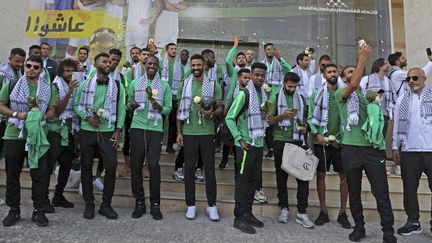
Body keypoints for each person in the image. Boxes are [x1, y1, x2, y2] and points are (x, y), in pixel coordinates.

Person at [335, 45, 396, 243]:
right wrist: (362, 59)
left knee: (381, 192)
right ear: (344, 78)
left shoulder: (370, 94)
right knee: (354, 192)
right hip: (351, 148)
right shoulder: (341, 94)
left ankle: (388, 232)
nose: (355, 74)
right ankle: (359, 227)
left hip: (373, 149)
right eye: (350, 73)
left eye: (356, 71)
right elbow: (352, 86)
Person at [0, 55, 55, 227]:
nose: (31, 69)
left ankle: (38, 211)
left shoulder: (48, 88)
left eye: (36, 67)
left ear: (41, 70)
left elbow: (53, 109)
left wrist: (42, 118)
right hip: (14, 133)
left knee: (38, 174)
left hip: (37, 135)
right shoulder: (13, 84)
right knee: (12, 173)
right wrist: (17, 114)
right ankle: (14, 210)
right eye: (28, 65)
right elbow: (1, 105)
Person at [74, 52, 126, 220]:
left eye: (110, 62)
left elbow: (122, 109)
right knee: (87, 166)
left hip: (108, 131)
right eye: (104, 61)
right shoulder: (84, 84)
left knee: (111, 166)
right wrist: (87, 117)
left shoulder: (118, 85)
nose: (108, 64)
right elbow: (76, 105)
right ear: (95, 64)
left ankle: (106, 205)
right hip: (87, 130)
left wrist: (118, 130)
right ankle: (89, 203)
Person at [176, 54, 222, 221]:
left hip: (207, 133)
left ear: (204, 65)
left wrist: (211, 113)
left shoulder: (213, 84)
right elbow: (179, 110)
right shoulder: (184, 84)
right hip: (189, 133)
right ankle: (191, 205)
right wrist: (179, 132)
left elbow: (220, 108)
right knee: (189, 169)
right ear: (190, 66)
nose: (196, 68)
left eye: (198, 65)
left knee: (209, 170)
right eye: (193, 65)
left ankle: (212, 206)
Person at [266, 72, 313, 228]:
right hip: (280, 139)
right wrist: (283, 116)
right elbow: (269, 121)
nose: (292, 89)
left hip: (298, 139)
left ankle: (302, 211)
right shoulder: (275, 97)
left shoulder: (300, 98)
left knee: (303, 177)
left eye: (295, 86)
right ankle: (284, 207)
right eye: (289, 86)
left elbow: (304, 117)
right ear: (284, 83)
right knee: (282, 176)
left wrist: (304, 125)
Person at [226, 62, 268, 234]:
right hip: (245, 146)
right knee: (243, 182)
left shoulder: (262, 95)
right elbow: (229, 118)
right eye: (256, 75)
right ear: (251, 76)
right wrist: (239, 138)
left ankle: (248, 213)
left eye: (262, 75)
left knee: (253, 181)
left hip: (257, 144)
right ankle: (239, 217)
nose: (259, 78)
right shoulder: (244, 94)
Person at [307, 64, 351, 229]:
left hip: (341, 141)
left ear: (338, 74)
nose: (332, 74)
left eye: (334, 71)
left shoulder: (344, 93)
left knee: (344, 176)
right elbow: (311, 117)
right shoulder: (316, 94)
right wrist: (317, 134)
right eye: (329, 72)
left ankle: (343, 213)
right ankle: (323, 212)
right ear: (324, 75)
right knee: (321, 175)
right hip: (322, 141)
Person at [128, 56, 172, 220]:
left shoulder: (165, 86)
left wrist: (158, 107)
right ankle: (139, 202)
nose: (152, 66)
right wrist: (130, 105)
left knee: (153, 165)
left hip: (155, 129)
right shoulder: (135, 83)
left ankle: (155, 204)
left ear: (159, 67)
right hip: (138, 127)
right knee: (136, 165)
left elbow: (168, 109)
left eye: (155, 64)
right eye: (149, 64)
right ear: (145, 66)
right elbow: (128, 105)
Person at [393, 67, 432, 236]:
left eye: (415, 78)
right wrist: (395, 146)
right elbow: (396, 125)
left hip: (431, 150)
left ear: (424, 78)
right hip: (409, 149)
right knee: (409, 188)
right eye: (408, 79)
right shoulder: (402, 100)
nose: (411, 81)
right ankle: (413, 221)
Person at [44, 58, 79, 211]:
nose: (70, 74)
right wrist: (69, 92)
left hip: (70, 130)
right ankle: (43, 199)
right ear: (61, 72)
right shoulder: (55, 86)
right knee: (49, 166)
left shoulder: (76, 85)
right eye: (67, 71)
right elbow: (58, 109)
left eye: (72, 71)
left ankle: (58, 196)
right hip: (55, 130)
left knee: (66, 165)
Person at [261, 43, 292, 160]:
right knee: (267, 121)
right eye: (268, 49)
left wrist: (280, 58)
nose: (270, 51)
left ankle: (278, 146)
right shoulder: (262, 63)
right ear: (265, 51)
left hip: (278, 96)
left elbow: (289, 71)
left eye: (272, 49)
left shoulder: (279, 62)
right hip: (265, 96)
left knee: (277, 120)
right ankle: (270, 149)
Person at [220, 68, 251, 170]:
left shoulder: (251, 93)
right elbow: (229, 99)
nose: (247, 80)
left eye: (249, 78)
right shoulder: (236, 90)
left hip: (242, 127)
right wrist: (226, 110)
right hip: (233, 122)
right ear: (239, 78)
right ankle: (224, 160)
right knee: (228, 142)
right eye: (245, 77)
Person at [360, 58, 396, 138]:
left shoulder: (388, 81)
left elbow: (393, 97)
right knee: (371, 136)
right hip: (371, 113)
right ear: (379, 66)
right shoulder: (367, 79)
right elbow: (361, 94)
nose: (388, 65)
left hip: (384, 114)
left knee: (382, 138)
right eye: (385, 64)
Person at [0, 48, 26, 157]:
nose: (20, 64)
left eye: (22, 62)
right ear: (10, 59)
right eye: (17, 61)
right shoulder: (2, 74)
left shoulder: (20, 74)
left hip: (11, 116)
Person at [160, 43, 184, 154]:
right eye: (171, 49)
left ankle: (170, 146)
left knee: (173, 122)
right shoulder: (161, 63)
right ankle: (158, 144)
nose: (174, 50)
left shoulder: (180, 65)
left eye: (175, 49)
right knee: (160, 121)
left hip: (174, 97)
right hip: (162, 97)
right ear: (167, 50)